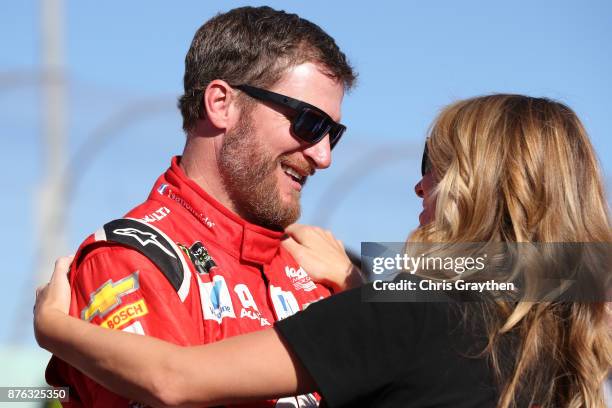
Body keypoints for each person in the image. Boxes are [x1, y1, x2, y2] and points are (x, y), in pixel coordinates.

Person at [36, 95, 612, 407]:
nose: (419, 185)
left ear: (474, 184)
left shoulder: (406, 315)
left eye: (431, 165)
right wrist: (360, 279)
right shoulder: (561, 319)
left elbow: (173, 380)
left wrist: (54, 326)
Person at [45, 6, 359, 408]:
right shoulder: (130, 258)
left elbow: (433, 360)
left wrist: (357, 288)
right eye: (310, 123)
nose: (323, 156)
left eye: (334, 134)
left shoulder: (317, 266)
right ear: (221, 103)